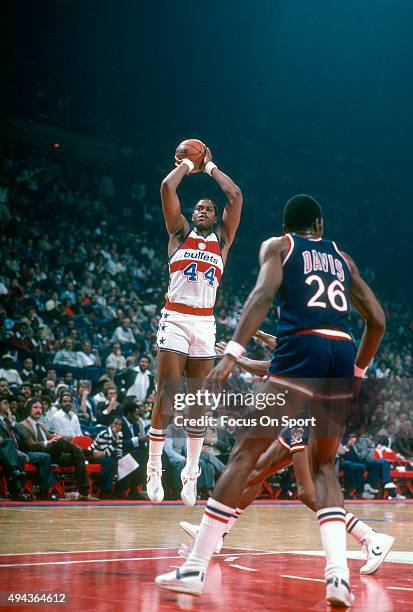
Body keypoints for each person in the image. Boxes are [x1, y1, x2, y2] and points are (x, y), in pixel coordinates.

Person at [156, 194, 386, 607]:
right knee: (324, 466)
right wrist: (358, 371)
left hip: (301, 349)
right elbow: (378, 320)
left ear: (287, 226)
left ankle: (194, 567)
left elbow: (262, 296)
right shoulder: (342, 259)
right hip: (341, 352)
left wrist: (232, 351)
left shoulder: (280, 246)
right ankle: (338, 577)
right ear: (319, 223)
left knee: (245, 456)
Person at [147, 144, 243, 505]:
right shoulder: (178, 233)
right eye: (198, 207)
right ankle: (153, 469)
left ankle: (190, 474)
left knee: (199, 401)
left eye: (208, 208)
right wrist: (188, 163)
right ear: (191, 214)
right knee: (168, 394)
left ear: (215, 217)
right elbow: (166, 188)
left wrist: (211, 166)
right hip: (175, 316)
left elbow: (235, 195)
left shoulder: (223, 241)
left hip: (205, 323)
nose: (202, 210)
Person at [18, 397, 98, 501]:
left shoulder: (41, 425)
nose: (38, 410)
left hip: (52, 454)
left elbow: (51, 437)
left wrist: (55, 438)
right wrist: (48, 442)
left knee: (77, 456)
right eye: (35, 407)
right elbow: (30, 445)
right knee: (61, 442)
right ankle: (88, 452)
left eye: (40, 408)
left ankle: (84, 492)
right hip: (36, 454)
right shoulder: (22, 425)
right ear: (29, 409)